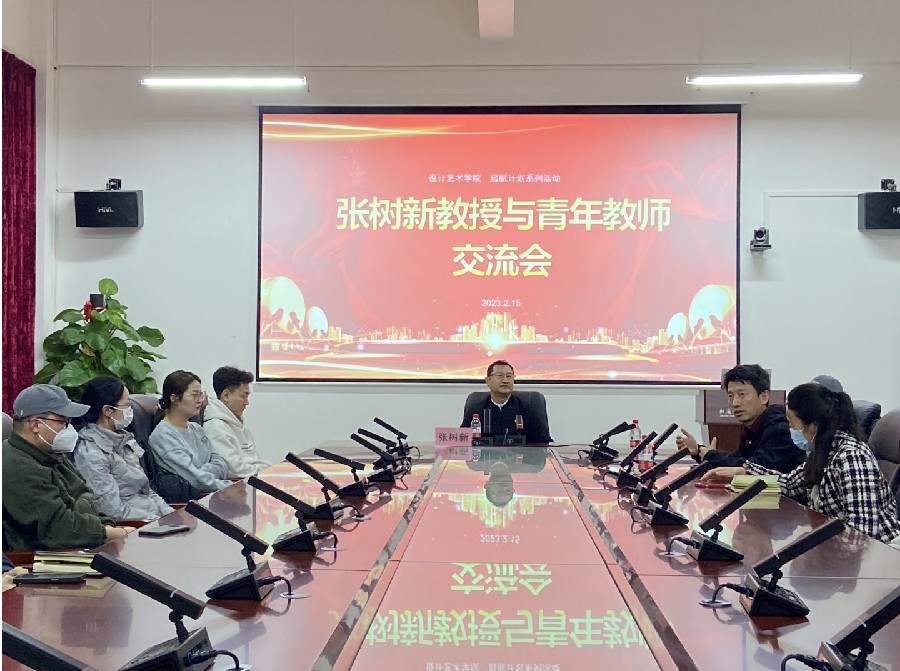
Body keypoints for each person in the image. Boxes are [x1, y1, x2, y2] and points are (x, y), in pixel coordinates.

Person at [701, 383, 900, 548]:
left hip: (878, 559)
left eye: (791, 422)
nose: (789, 429)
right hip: (840, 550)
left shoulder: (850, 457)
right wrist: (745, 470)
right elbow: (789, 484)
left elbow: (863, 535)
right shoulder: (823, 451)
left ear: (813, 425)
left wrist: (811, 547)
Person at [2, 384, 133, 550]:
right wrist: (111, 533)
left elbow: (87, 495)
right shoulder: (18, 466)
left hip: (78, 545)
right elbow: (59, 529)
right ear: (35, 425)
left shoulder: (49, 453)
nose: (69, 428)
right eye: (62, 421)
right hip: (42, 558)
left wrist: (105, 525)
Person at [73, 376, 174, 520]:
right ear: (108, 410)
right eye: (126, 405)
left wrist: (170, 514)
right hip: (135, 526)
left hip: (153, 517)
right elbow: (112, 511)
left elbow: (145, 490)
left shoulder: (123, 439)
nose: (130, 410)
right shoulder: (91, 454)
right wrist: (156, 521)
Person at [676, 363, 804, 473]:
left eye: (742, 394)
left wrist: (712, 456)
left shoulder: (780, 426)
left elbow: (757, 467)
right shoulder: (752, 425)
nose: (735, 403)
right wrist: (698, 451)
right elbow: (739, 457)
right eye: (730, 396)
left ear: (764, 397)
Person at [149, 371, 230, 502]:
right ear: (174, 399)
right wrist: (228, 487)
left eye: (201, 395)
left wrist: (200, 472)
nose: (200, 400)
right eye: (194, 395)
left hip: (211, 494)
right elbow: (194, 479)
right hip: (193, 502)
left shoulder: (196, 428)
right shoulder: (163, 436)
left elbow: (221, 463)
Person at [460, 360, 552, 444]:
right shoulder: (476, 410)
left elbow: (543, 443)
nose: (505, 380)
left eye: (509, 376)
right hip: (485, 456)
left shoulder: (528, 410)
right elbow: (462, 441)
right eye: (500, 376)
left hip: (519, 457)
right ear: (488, 381)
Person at [203, 366, 270, 479]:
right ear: (226, 395)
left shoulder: (237, 422)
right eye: (243, 396)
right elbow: (234, 470)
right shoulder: (215, 427)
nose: (247, 402)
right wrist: (268, 470)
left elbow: (253, 460)